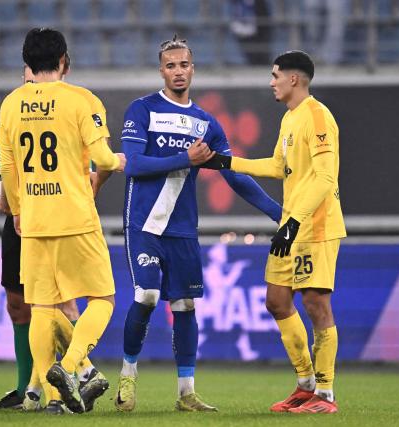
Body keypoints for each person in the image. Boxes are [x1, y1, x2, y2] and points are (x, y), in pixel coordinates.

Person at [114, 35, 282, 412]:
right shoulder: (142, 110)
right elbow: (134, 165)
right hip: (144, 224)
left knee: (186, 304)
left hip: (183, 229)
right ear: (161, 70)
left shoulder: (206, 123)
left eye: (184, 65)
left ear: (193, 68)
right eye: (170, 65)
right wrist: (185, 158)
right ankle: (128, 375)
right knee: (148, 295)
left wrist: (278, 212)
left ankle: (186, 393)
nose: (178, 71)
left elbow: (235, 175)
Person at [201, 50, 344, 413]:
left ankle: (325, 395)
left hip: (316, 226)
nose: (271, 82)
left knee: (315, 302)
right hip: (292, 227)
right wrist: (226, 162)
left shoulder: (318, 116)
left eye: (275, 75)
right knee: (277, 301)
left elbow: (326, 178)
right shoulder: (291, 119)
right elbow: (279, 166)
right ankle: (305, 384)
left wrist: (293, 221)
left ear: (294, 79)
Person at [0, 27, 125, 415]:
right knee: (103, 299)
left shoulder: (10, 104)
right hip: (75, 217)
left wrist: (18, 210)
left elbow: (8, 166)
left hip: (34, 220)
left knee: (41, 308)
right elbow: (102, 160)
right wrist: (116, 161)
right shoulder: (81, 99)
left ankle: (46, 398)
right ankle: (68, 370)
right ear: (64, 61)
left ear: (27, 63)